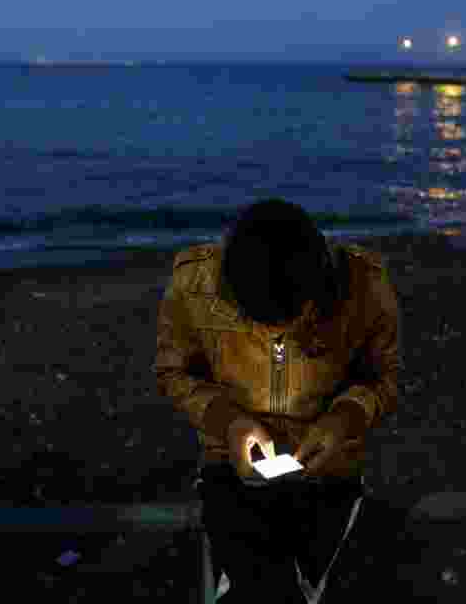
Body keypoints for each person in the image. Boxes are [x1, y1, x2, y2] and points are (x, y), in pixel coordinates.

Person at [153, 198, 403, 603]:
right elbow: (173, 373)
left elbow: (385, 378)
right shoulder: (193, 287)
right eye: (263, 326)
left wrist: (346, 417)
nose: (280, 335)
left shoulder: (366, 286)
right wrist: (227, 421)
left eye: (298, 322)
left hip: (332, 471)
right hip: (231, 472)